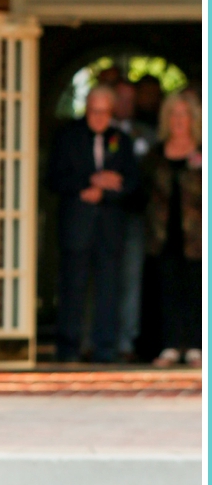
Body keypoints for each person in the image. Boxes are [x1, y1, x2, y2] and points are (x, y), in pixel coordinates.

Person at [47, 84, 138, 364]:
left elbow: (133, 184)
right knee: (72, 288)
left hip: (110, 226)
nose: (99, 118)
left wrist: (108, 190)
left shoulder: (122, 140)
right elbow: (53, 179)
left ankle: (105, 349)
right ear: (86, 109)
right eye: (94, 111)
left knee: (109, 290)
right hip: (77, 225)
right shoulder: (67, 137)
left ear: (112, 113)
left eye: (105, 112)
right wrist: (89, 183)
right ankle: (68, 348)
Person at [144, 89, 202, 369]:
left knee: (196, 288)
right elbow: (142, 190)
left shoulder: (204, 151)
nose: (179, 120)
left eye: (184, 115)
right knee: (167, 288)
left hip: (197, 235)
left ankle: (195, 347)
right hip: (164, 233)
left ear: (194, 118)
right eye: (174, 114)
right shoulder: (156, 153)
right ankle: (169, 346)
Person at [114, 78, 158, 363]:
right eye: (122, 98)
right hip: (102, 215)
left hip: (135, 216)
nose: (127, 105)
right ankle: (92, 340)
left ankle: (125, 342)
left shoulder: (148, 134)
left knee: (131, 281)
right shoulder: (99, 131)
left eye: (132, 99)